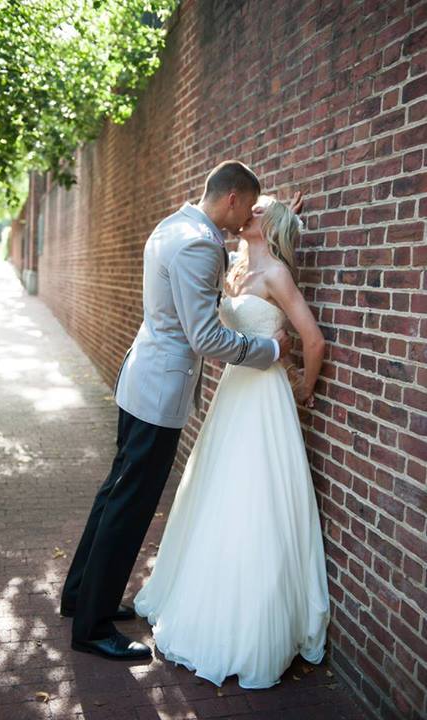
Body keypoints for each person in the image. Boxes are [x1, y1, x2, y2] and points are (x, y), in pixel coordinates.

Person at [60, 161, 296, 660]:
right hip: (160, 389)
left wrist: (274, 228)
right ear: (232, 198)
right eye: (248, 207)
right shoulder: (200, 243)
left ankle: (81, 596)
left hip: (141, 377)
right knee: (130, 505)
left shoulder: (174, 225)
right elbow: (205, 337)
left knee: (115, 492)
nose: (245, 218)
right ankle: (93, 627)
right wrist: (271, 351)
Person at [134, 195, 330, 688]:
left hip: (265, 400)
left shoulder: (276, 276)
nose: (246, 215)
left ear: (268, 224)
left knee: (255, 499)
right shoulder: (236, 269)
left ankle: (253, 625)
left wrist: (302, 387)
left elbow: (313, 338)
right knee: (218, 493)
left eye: (257, 211)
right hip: (232, 395)